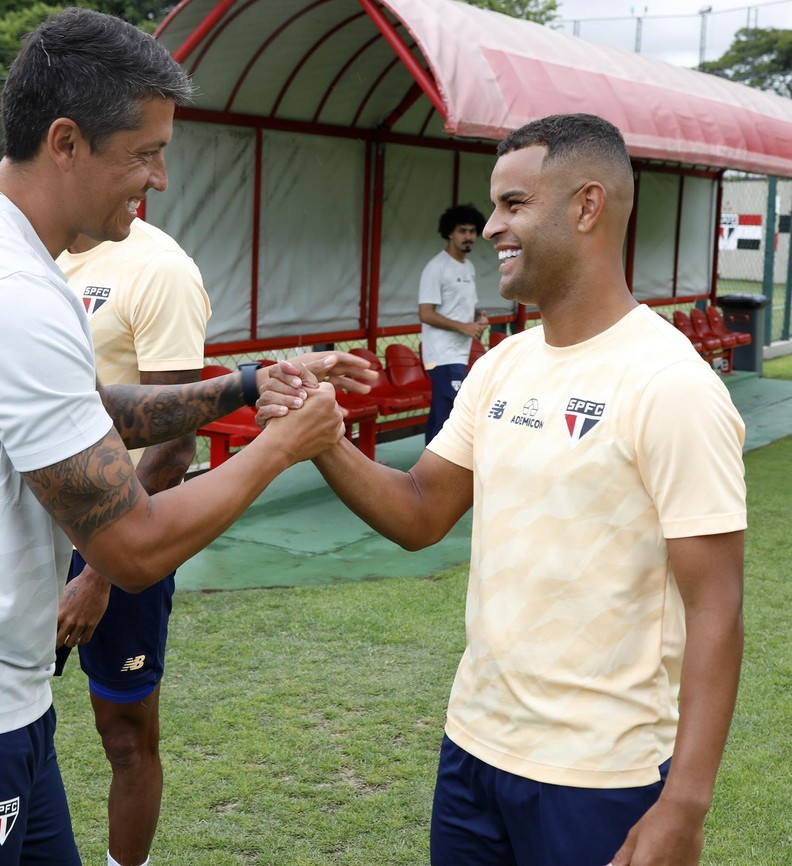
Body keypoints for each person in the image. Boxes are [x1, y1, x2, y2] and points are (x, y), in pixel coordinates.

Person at [0, 9, 372, 865]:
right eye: (145, 152)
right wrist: (282, 445)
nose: (161, 178)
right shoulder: (2, 287)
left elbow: (88, 409)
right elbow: (135, 547)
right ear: (65, 142)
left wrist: (250, 383)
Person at [306, 114, 746, 866]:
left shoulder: (671, 384)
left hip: (599, 775)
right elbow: (420, 512)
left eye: (513, 204)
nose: (493, 228)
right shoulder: (500, 367)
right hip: (473, 750)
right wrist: (323, 438)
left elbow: (717, 605)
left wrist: (684, 805)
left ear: (586, 206)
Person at [54, 219, 211, 866]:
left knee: (124, 734)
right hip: (18, 536)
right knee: (3, 718)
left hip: (112, 537)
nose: (158, 175)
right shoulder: (28, 250)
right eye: (144, 151)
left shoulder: (159, 269)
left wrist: (98, 569)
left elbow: (175, 442)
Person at [418, 203, 490, 443]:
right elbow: (425, 313)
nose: (468, 236)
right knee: (450, 415)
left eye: (472, 231)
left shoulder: (468, 267)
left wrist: (478, 317)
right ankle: (437, 475)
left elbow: (464, 307)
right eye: (462, 231)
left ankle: (425, 472)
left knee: (441, 411)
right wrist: (465, 327)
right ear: (449, 232)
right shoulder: (436, 267)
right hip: (440, 355)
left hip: (459, 353)